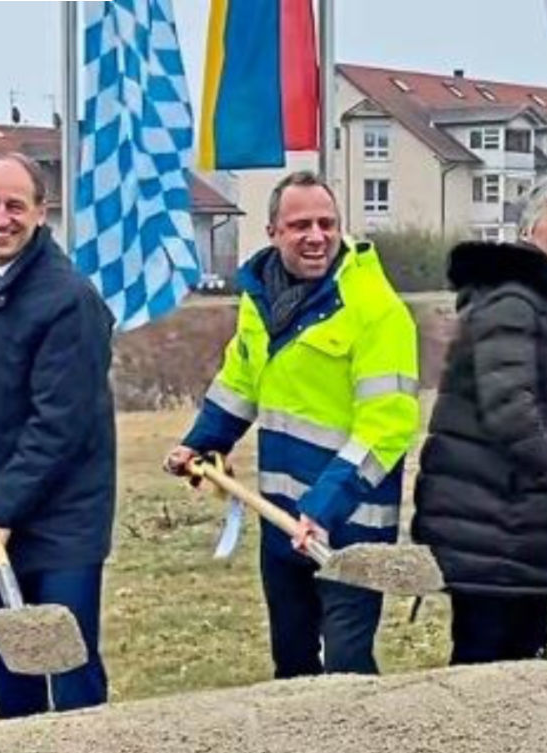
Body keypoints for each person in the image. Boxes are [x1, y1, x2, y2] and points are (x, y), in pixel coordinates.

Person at [163, 170, 420, 678]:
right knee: (292, 667)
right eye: (300, 225)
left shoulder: (377, 310)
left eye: (327, 223)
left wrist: (323, 507)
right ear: (273, 232)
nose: (316, 236)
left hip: (350, 527)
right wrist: (199, 445)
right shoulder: (261, 304)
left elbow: (387, 425)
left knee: (346, 670)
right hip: (280, 523)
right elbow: (240, 383)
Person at [0, 153, 116, 718]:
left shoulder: (69, 302)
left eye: (15, 206)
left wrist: (1, 506)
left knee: (67, 663)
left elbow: (60, 424)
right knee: (11, 669)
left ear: (40, 212)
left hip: (63, 516)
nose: (0, 219)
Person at [409, 175, 547, 665]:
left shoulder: (544, 300)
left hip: (517, 523)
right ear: (527, 230)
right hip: (488, 523)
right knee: (488, 677)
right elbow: (511, 410)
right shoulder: (514, 299)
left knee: (521, 669)